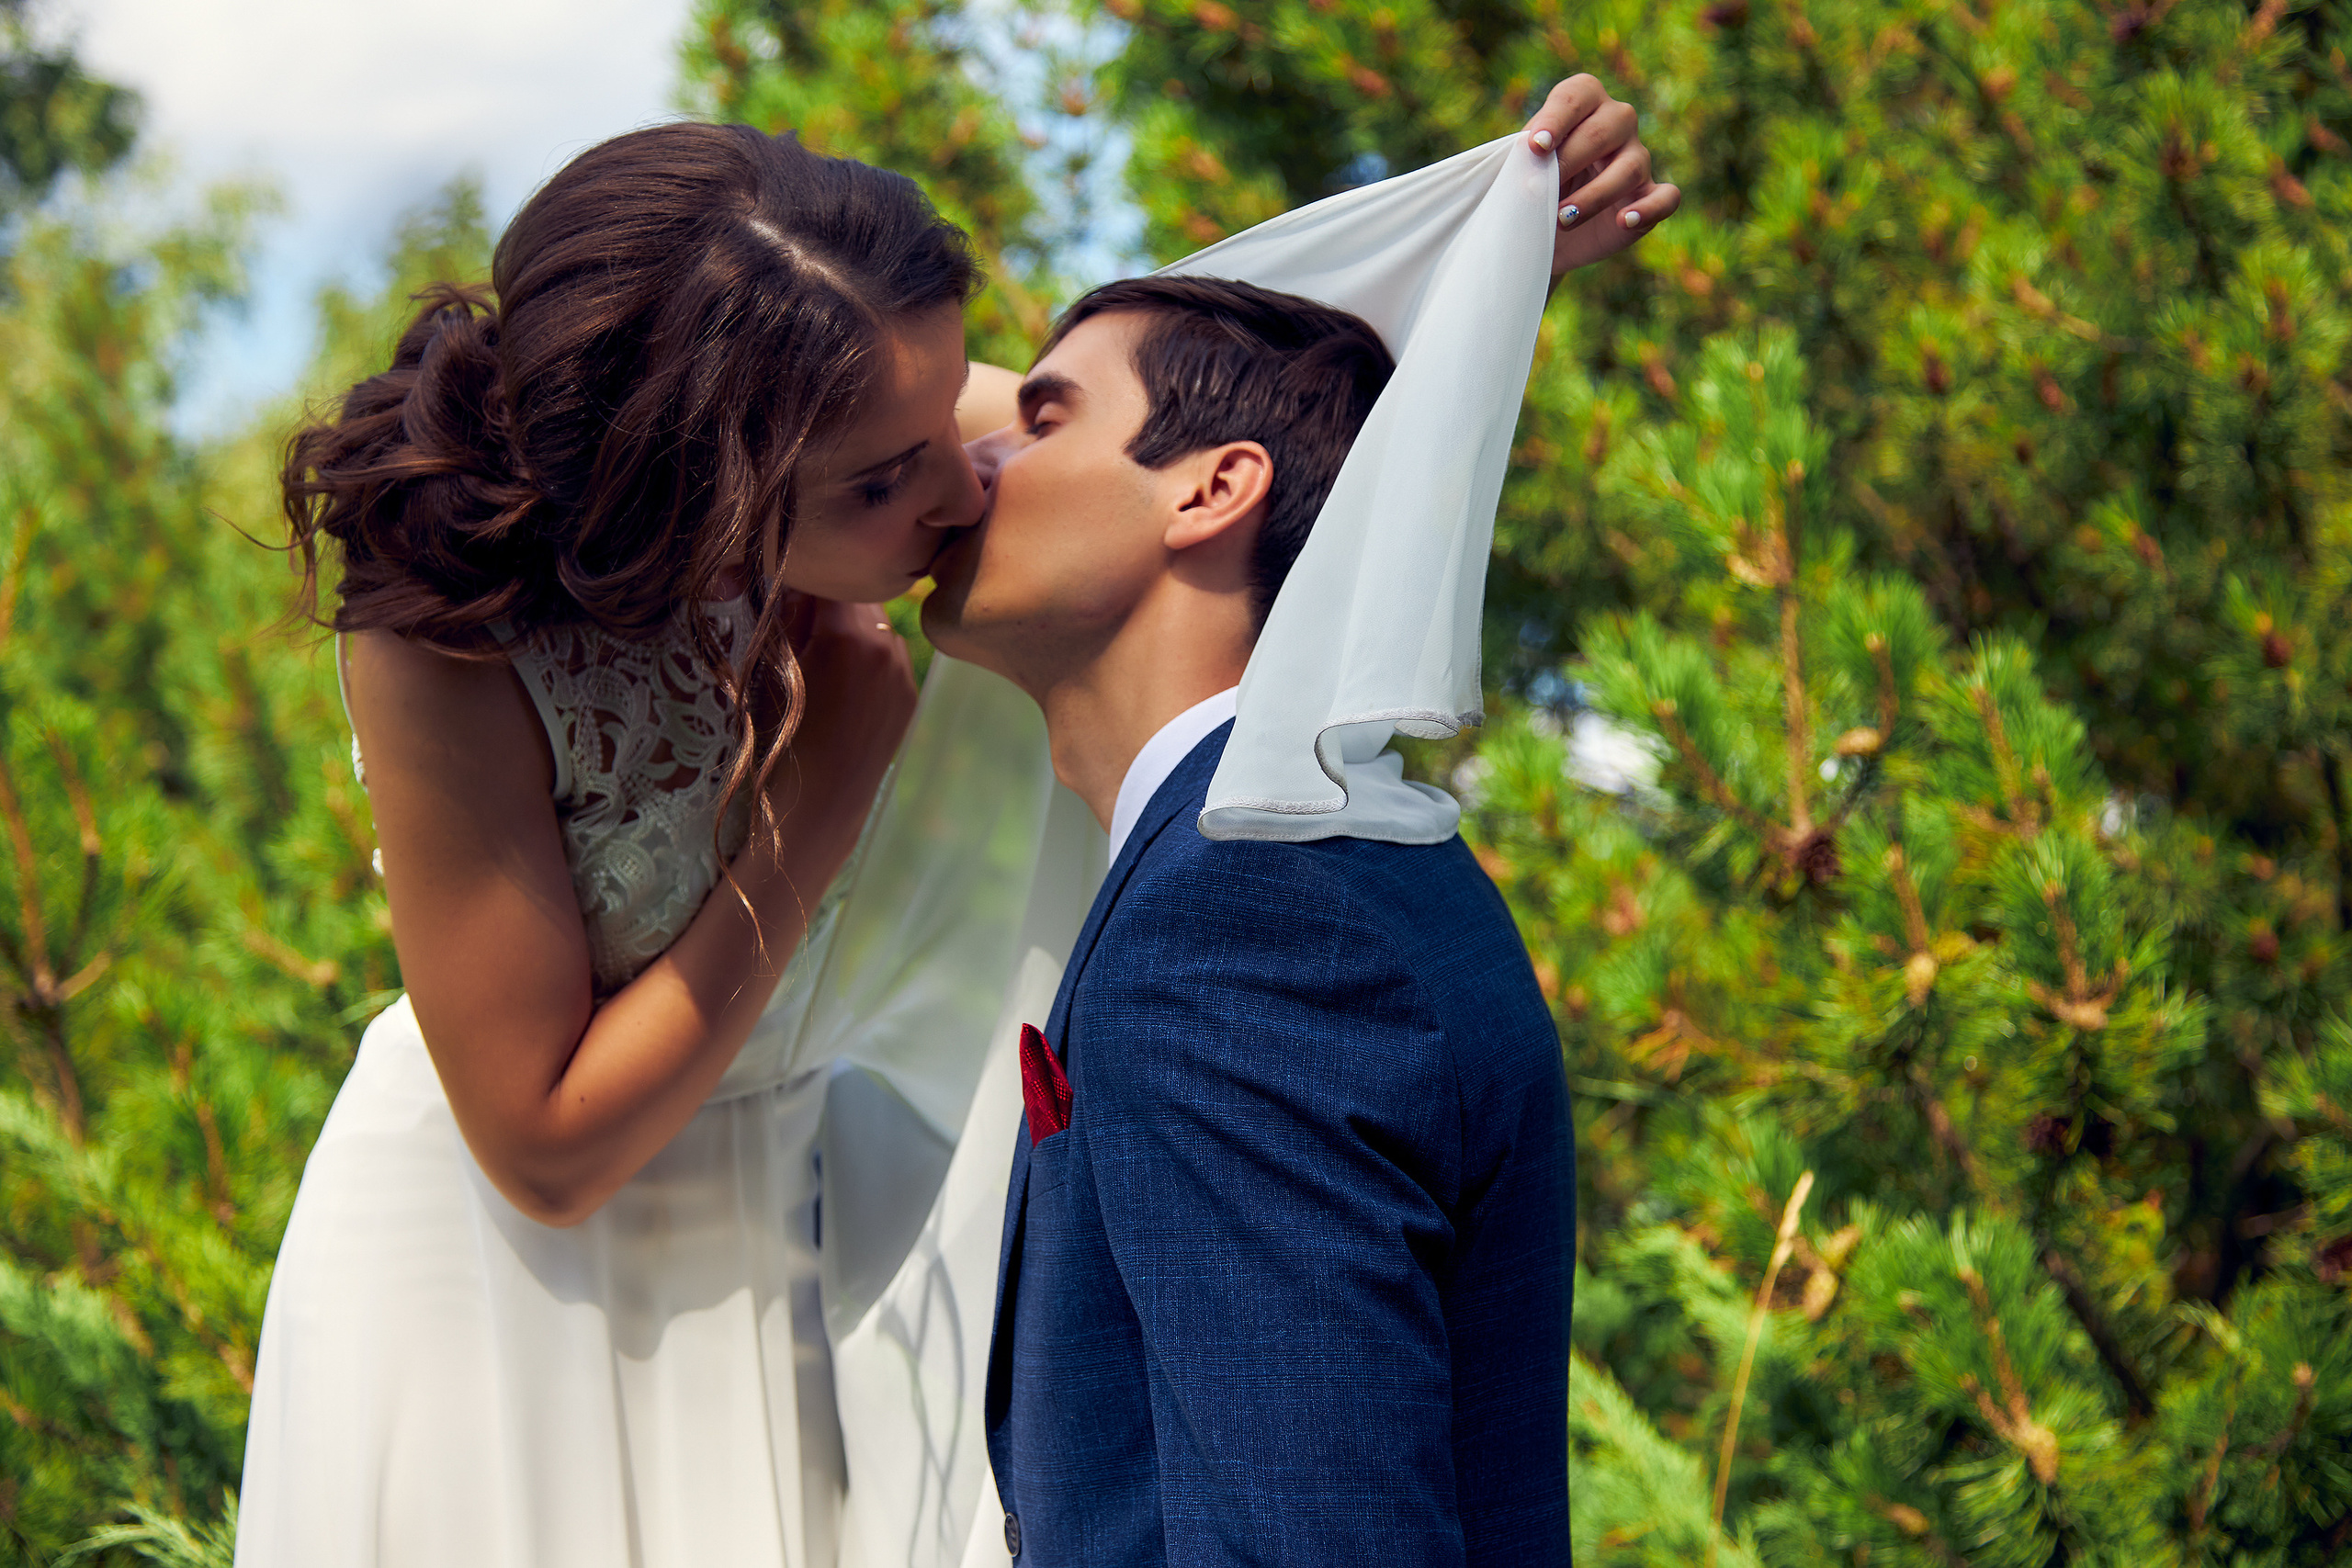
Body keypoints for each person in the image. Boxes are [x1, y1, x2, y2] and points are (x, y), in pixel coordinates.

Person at [240, 80, 1669, 1568]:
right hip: (505, 1285)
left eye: (956, 416)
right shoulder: (449, 640)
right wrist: (818, 792)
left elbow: (1198, 431)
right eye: (884, 477)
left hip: (786, 1231)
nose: (963, 480)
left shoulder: (888, 409)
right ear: (704, 500)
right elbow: (538, 1144)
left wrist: (1484, 263)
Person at [920, 99, 1655, 1562]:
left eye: (1043, 420)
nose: (972, 465)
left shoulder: (1241, 924)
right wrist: (1463, 278)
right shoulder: (1313, 869)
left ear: (1214, 488)